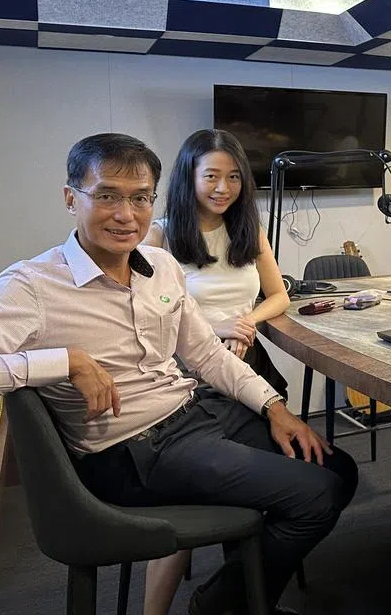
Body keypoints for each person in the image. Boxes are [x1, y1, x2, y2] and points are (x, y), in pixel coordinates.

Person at [0, 133, 357, 615]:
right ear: (69, 198)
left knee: (337, 468)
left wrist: (274, 407)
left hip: (193, 415)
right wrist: (65, 361)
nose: (127, 215)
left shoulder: (160, 265)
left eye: (140, 198)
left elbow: (206, 355)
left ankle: (234, 595)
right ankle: (223, 607)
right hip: (134, 451)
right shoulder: (30, 285)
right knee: (316, 494)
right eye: (106, 196)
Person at [140, 129, 291, 615]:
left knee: (288, 473)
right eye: (212, 176)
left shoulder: (249, 232)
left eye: (233, 177)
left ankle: (237, 590)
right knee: (192, 491)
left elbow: (279, 295)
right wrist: (213, 326)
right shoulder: (160, 234)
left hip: (248, 369)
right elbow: (143, 315)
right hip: (187, 378)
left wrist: (247, 320)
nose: (223, 188)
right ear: (190, 177)